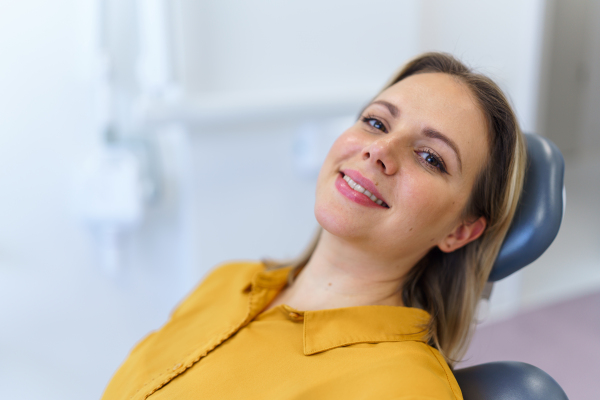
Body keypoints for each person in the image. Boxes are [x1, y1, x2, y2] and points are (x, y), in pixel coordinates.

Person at [101, 52, 526, 400]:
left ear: (460, 232)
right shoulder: (228, 281)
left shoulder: (405, 388)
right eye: (376, 122)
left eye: (430, 157)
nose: (380, 149)